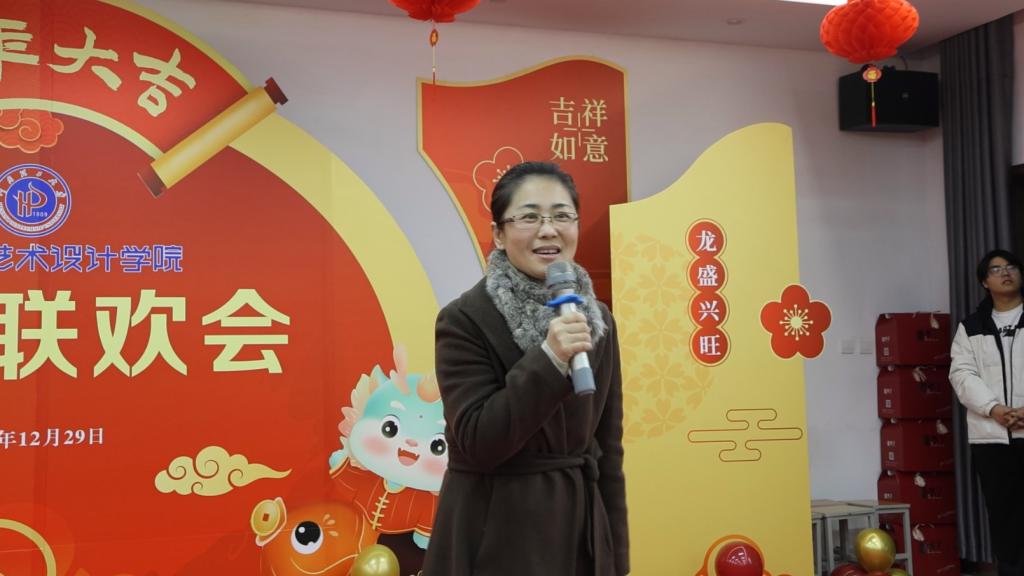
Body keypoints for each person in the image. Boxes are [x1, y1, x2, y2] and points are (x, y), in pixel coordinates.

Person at [421, 161, 629, 576]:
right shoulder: (464, 319)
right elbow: (478, 441)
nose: (548, 230)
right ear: (499, 234)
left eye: (562, 216)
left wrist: (616, 559)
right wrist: (549, 359)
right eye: (530, 217)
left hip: (580, 535)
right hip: (495, 534)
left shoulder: (595, 318)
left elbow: (608, 449)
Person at [950, 249, 1024, 576]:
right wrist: (994, 408)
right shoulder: (972, 326)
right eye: (996, 269)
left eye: (1011, 267)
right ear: (984, 282)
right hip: (992, 439)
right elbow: (962, 374)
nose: (1005, 273)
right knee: (1004, 515)